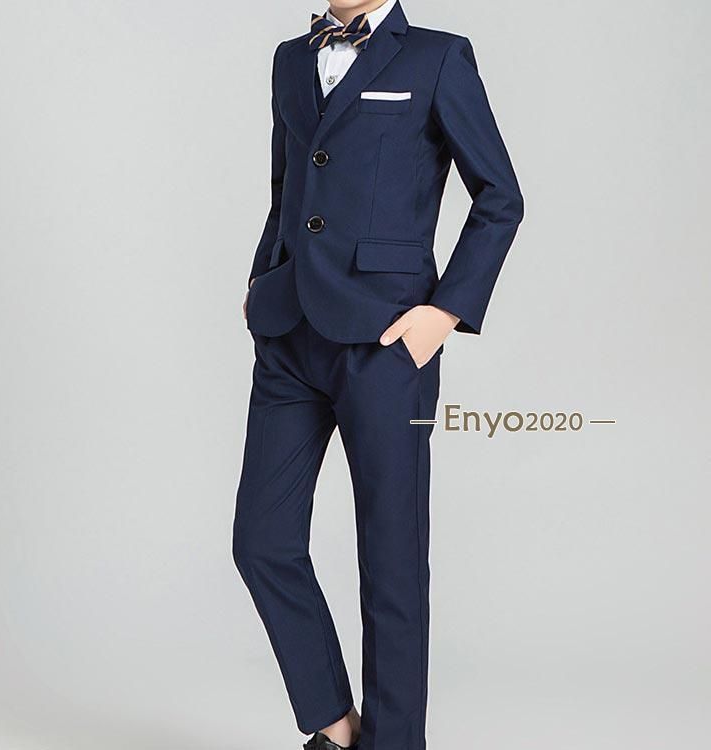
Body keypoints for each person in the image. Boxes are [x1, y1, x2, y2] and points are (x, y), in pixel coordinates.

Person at [233, 1, 523, 748]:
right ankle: (337, 728)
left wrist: (444, 313)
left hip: (387, 341)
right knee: (262, 542)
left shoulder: (438, 56)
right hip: (289, 332)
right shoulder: (290, 59)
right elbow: (288, 187)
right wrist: (263, 278)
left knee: (392, 564)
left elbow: (501, 197)